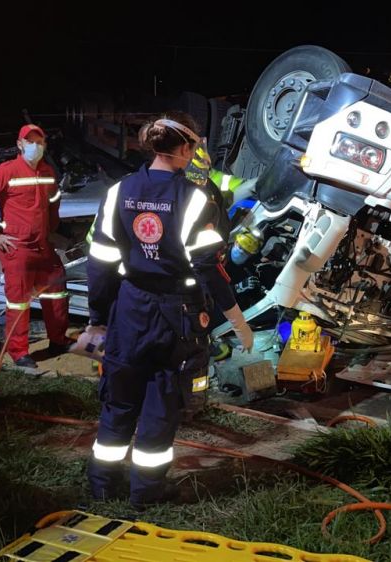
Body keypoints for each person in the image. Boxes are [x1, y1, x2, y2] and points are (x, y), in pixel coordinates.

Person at [85, 112, 253, 508]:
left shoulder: (120, 191)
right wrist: (236, 317)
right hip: (175, 314)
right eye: (194, 147)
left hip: (129, 308)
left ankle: (103, 486)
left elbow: (100, 262)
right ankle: (147, 491)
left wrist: (97, 318)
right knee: (162, 401)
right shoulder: (195, 198)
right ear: (183, 148)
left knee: (119, 399)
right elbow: (209, 265)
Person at [0, 124, 72, 370]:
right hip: (18, 247)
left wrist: (51, 230)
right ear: (20, 144)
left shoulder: (47, 171)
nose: (35, 146)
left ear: (45, 145)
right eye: (30, 141)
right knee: (18, 301)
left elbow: (54, 202)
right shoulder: (6, 171)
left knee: (56, 291)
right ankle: (19, 352)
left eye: (40, 141)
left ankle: (58, 340)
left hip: (43, 246)